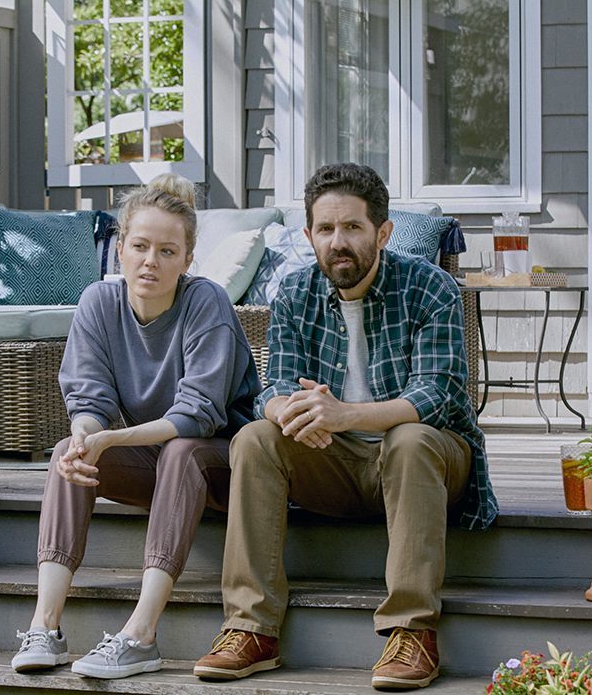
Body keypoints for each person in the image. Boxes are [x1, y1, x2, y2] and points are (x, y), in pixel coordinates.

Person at [192, 163, 497, 690]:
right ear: (308, 235)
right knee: (254, 437)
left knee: (410, 437)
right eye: (326, 230)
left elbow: (439, 395)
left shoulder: (432, 287)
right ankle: (251, 628)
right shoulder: (293, 293)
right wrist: (287, 412)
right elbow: (274, 388)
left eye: (353, 228)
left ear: (382, 232)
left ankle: (413, 631)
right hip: (334, 464)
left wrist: (344, 415)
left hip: (428, 467)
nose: (339, 242)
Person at [11, 173, 261, 679]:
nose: (152, 261)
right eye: (141, 246)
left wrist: (111, 439)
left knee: (182, 448)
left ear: (188, 260)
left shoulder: (205, 302)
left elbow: (198, 414)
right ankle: (45, 625)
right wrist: (87, 437)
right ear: (120, 248)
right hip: (156, 465)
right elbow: (88, 396)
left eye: (168, 251)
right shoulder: (98, 303)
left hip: (222, 466)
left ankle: (141, 633)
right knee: (68, 449)